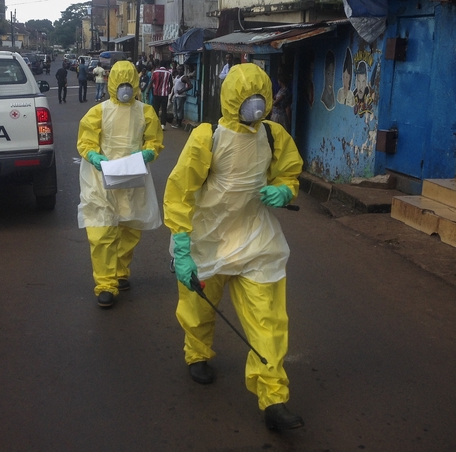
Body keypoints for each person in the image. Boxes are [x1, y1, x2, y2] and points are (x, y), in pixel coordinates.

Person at [163, 63, 304, 430]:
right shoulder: (206, 137)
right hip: (207, 239)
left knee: (268, 321)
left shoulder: (273, 135)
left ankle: (273, 397)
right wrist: (181, 244)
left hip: (256, 239)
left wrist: (285, 190)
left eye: (260, 99)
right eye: (248, 100)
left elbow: (288, 172)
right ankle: (197, 353)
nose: (255, 107)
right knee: (199, 309)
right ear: (231, 99)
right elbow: (181, 190)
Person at [76, 61, 164, 308]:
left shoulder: (145, 112)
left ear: (135, 83)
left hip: (132, 177)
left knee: (129, 227)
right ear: (112, 82)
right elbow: (86, 141)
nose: (125, 88)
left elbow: (154, 140)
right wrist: (93, 155)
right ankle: (105, 283)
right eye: (121, 83)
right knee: (102, 229)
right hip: (101, 178)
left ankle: (120, 272)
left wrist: (149, 153)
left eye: (129, 83)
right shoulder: (98, 112)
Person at [151, 61, 172, 130]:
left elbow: (151, 82)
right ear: (166, 65)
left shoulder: (155, 72)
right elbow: (171, 83)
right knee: (164, 109)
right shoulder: (168, 73)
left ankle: (156, 124)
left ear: (159, 65)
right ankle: (163, 124)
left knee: (156, 109)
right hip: (164, 94)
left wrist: (150, 91)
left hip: (156, 93)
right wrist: (169, 91)